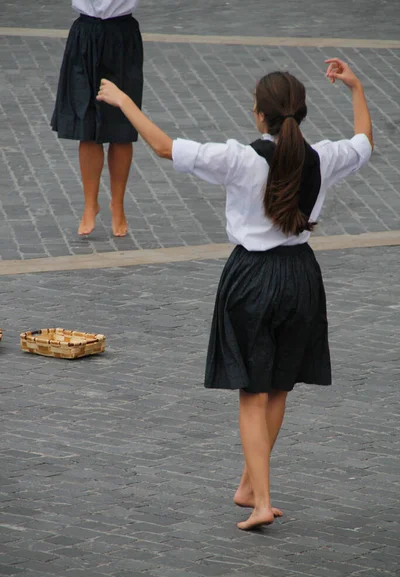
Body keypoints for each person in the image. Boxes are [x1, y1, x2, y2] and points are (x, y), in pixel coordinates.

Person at [96, 58, 373, 530]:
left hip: (252, 278)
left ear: (260, 115)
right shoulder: (323, 157)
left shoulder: (240, 158)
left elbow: (164, 147)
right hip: (302, 276)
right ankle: (249, 484)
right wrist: (356, 87)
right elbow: (365, 142)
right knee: (280, 385)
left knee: (252, 392)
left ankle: (261, 500)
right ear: (300, 114)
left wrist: (124, 101)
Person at [51, 1, 143, 237]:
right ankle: (90, 204)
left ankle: (118, 205)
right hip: (85, 31)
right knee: (86, 125)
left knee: (122, 125)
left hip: (122, 33)